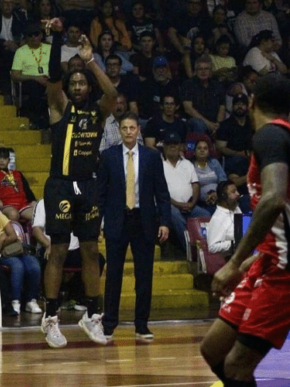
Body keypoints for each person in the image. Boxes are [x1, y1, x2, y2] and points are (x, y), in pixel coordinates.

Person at [200, 73, 290, 387]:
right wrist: (254, 260)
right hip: (269, 260)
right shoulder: (281, 137)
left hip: (283, 270)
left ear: (251, 102)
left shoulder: (269, 136)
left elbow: (274, 199)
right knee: (213, 349)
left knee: (238, 365)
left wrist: (235, 262)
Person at [39, 17, 117, 348]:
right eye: (75, 84)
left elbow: (112, 93)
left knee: (90, 249)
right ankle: (51, 317)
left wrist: (90, 62)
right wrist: (58, 38)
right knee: (57, 249)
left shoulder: (98, 112)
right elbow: (54, 79)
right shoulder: (60, 109)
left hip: (88, 185)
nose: (78, 87)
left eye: (83, 83)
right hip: (61, 184)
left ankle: (92, 315)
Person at [97, 112, 171, 343]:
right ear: (119, 131)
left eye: (132, 128)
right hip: (117, 219)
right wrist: (98, 221)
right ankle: (108, 326)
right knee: (114, 275)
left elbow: (162, 192)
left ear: (139, 130)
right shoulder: (108, 156)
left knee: (144, 276)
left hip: (144, 220)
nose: (128, 132)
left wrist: (165, 222)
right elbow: (100, 193)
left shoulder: (151, 156)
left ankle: (142, 325)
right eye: (124, 128)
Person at [0, 199, 42, 316]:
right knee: (17, 266)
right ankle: (15, 301)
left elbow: (13, 236)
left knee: (34, 265)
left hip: (17, 250)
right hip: (1, 256)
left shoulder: (0, 216)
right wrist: (2, 239)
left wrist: (1, 242)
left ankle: (31, 300)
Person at [161, 132, 211, 251]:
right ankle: (190, 250)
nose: (172, 146)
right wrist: (178, 204)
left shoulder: (187, 164)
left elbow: (195, 185)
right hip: (170, 205)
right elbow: (161, 192)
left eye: (175, 144)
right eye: (169, 144)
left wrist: (192, 203)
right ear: (164, 147)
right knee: (176, 216)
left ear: (180, 147)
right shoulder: (159, 165)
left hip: (190, 205)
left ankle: (207, 250)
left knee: (206, 215)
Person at [10, 22, 51, 129]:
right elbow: (14, 75)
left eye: (36, 34)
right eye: (30, 35)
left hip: (49, 80)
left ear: (41, 35)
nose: (33, 37)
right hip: (29, 82)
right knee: (34, 87)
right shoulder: (20, 51)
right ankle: (39, 120)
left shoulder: (49, 48)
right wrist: (35, 78)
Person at [0, 147, 36, 222]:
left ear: (9, 160)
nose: (1, 161)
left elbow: (27, 189)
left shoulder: (18, 173)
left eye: (4, 158)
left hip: (22, 203)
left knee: (37, 215)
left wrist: (33, 200)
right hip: (6, 204)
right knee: (13, 214)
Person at [181, 55, 227, 135]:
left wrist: (218, 123)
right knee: (199, 124)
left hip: (214, 122)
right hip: (195, 121)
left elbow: (222, 106)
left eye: (206, 69)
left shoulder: (217, 85)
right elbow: (188, 109)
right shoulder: (188, 84)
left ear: (210, 71)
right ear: (195, 71)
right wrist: (208, 123)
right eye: (200, 69)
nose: (203, 71)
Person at [207, 180, 242, 257]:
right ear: (224, 196)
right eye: (233, 192)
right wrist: (234, 243)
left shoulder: (236, 208)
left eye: (237, 191)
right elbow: (212, 247)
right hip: (230, 258)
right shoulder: (217, 218)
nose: (238, 194)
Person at [193, 139, 227, 214]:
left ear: (208, 152)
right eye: (199, 148)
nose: (202, 150)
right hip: (202, 201)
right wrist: (206, 197)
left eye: (205, 148)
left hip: (219, 196)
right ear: (194, 152)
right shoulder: (190, 166)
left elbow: (223, 180)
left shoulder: (214, 163)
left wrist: (218, 193)